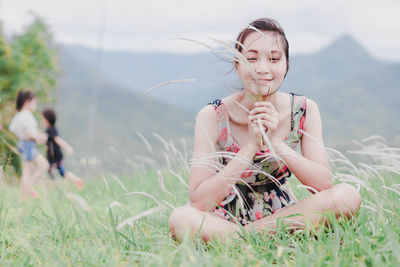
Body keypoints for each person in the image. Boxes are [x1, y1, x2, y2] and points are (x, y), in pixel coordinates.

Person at [169, 18, 361, 242]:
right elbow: (199, 202)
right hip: (223, 220)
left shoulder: (304, 110)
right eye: (251, 58)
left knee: (347, 195)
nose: (262, 68)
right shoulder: (213, 115)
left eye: (274, 59)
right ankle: (264, 237)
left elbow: (323, 186)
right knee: (181, 218)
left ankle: (242, 239)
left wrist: (276, 143)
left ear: (286, 64)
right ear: (237, 65)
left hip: (285, 215)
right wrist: (250, 146)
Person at [9, 89, 49, 200]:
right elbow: (28, 133)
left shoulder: (19, 115)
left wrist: (38, 135)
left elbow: (22, 131)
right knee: (42, 166)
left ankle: (25, 195)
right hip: (27, 145)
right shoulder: (25, 115)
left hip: (24, 144)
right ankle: (28, 190)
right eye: (34, 103)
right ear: (27, 102)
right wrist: (39, 137)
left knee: (28, 170)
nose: (35, 106)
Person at [42, 108, 84, 189]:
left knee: (58, 171)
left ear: (47, 119)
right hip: (54, 156)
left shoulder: (51, 130)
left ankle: (74, 180)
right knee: (58, 171)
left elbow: (57, 140)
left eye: (43, 118)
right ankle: (75, 180)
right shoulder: (50, 129)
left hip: (55, 157)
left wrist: (67, 147)